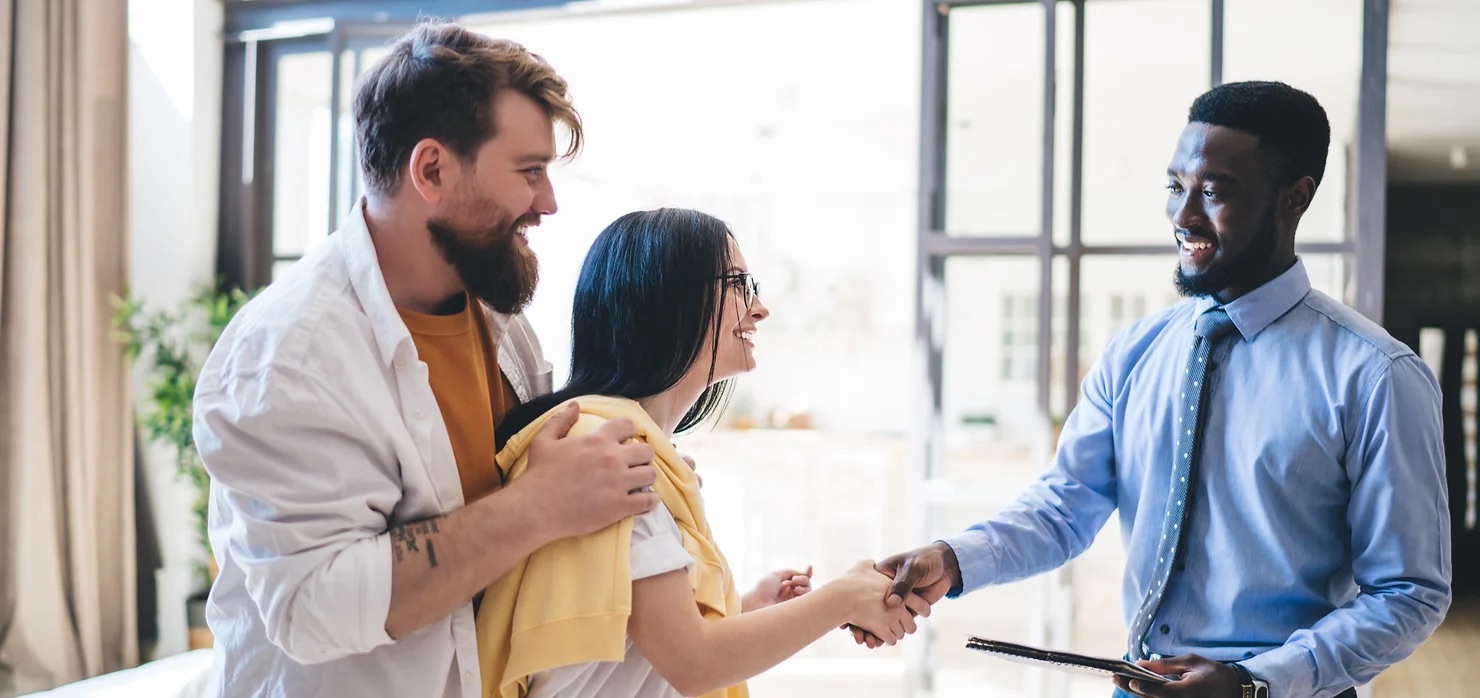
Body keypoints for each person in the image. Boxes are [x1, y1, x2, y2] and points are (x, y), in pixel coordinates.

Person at [868, 81, 1451, 698]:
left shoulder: (1377, 376)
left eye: (1214, 192)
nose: (1184, 215)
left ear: (1294, 200)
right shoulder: (1134, 353)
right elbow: (1065, 506)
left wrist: (1253, 683)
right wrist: (952, 559)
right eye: (1176, 187)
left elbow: (1410, 594)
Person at [193, 22, 661, 698]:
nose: (548, 202)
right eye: (529, 171)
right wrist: (536, 506)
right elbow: (308, 609)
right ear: (433, 170)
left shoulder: (499, 319)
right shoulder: (288, 359)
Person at [476, 208, 926, 698]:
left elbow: (639, 649)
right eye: (737, 283)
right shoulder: (608, 458)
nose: (759, 309)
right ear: (668, 297)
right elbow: (694, 661)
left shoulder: (639, 453)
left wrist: (744, 611)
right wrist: (843, 598)